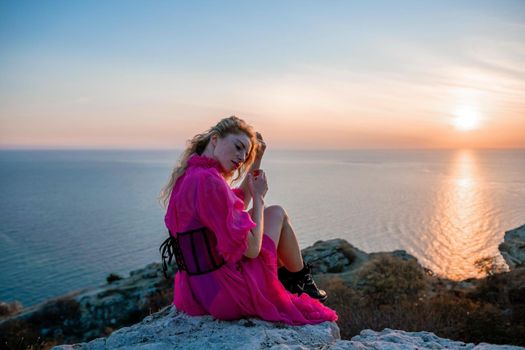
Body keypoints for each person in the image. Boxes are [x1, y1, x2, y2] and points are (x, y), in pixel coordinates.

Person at [159, 116, 337, 325]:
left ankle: (295, 280)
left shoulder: (190, 175)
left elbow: (237, 204)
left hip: (197, 294)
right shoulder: (209, 181)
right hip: (228, 295)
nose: (241, 157)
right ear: (215, 139)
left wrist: (257, 159)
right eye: (238, 147)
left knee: (269, 215)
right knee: (276, 213)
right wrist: (259, 198)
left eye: (246, 154)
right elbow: (251, 249)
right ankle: (300, 281)